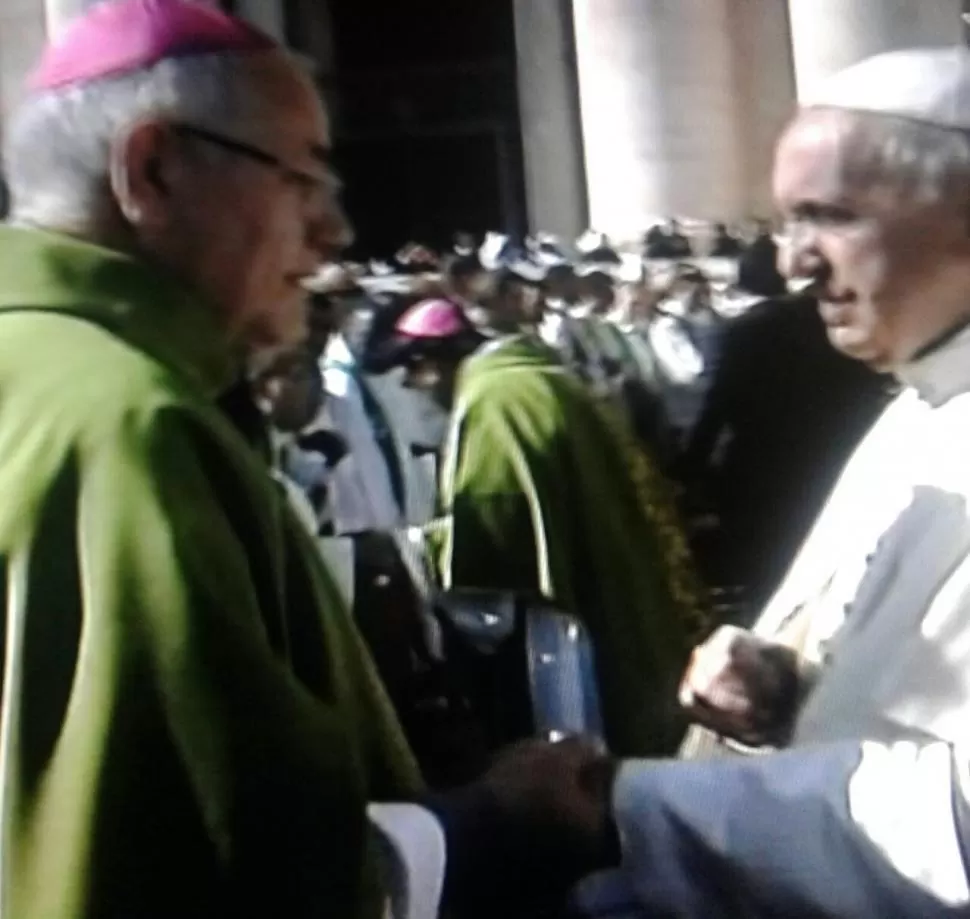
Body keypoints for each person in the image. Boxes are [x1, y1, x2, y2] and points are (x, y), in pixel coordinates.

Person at [0, 4, 609, 917]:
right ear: (152, 170)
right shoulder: (133, 423)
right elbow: (183, 863)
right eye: (302, 178)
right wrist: (488, 820)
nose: (332, 232)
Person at [563, 46, 970, 917]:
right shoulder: (920, 400)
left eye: (829, 216)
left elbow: (958, 826)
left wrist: (625, 811)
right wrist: (787, 693)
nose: (790, 262)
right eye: (787, 221)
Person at [387, 298, 708, 757]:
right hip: (608, 585)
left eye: (413, 372)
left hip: (562, 627)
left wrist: (416, 551)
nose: (410, 386)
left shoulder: (495, 401)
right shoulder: (535, 378)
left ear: (435, 362)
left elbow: (496, 548)